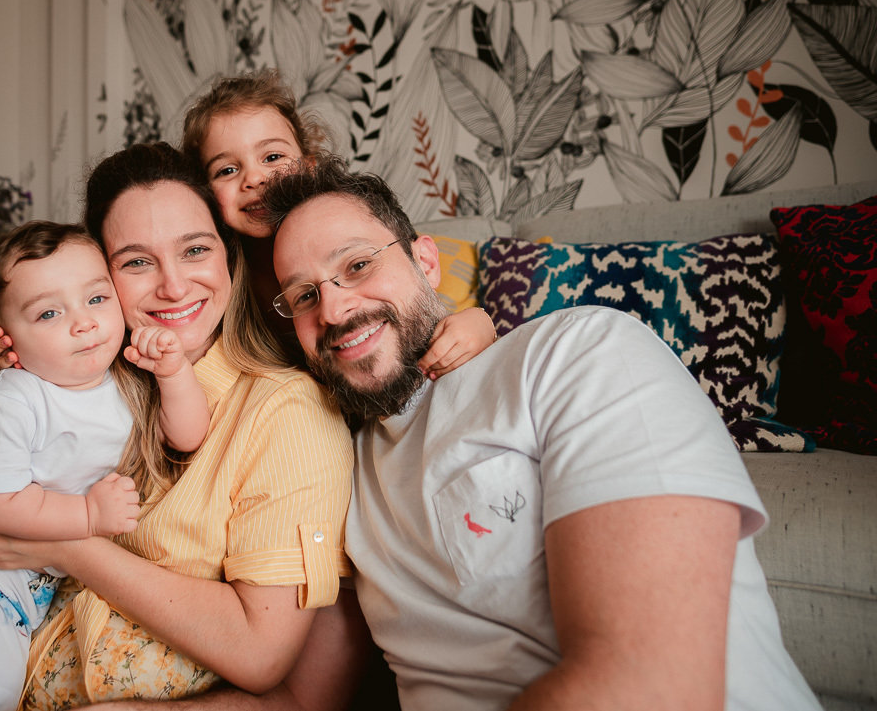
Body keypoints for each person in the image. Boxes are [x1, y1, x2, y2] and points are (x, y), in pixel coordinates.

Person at [247, 159, 821, 710]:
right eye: (303, 295)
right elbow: (299, 700)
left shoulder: (581, 353)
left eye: (357, 265)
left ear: (426, 262)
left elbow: (647, 688)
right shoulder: (335, 466)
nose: (333, 308)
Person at [0, 143, 356, 710]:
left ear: (228, 257)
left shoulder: (282, 411)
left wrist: (68, 545)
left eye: (196, 249)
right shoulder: (79, 383)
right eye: (135, 262)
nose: (174, 287)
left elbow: (262, 654)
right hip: (5, 661)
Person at [0, 69, 496, 381]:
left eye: (273, 156)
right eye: (227, 170)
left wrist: (481, 323)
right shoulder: (212, 272)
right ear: (206, 198)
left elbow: (422, 313)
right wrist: (17, 345)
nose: (255, 180)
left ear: (310, 165)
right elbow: (83, 300)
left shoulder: (351, 235)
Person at [0, 221, 209, 711]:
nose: (83, 323)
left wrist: (175, 373)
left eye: (97, 299)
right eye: (50, 313)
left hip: (28, 562)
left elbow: (186, 436)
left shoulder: (121, 375)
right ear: (2, 336)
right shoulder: (15, 398)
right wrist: (88, 518)